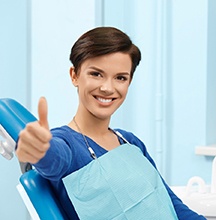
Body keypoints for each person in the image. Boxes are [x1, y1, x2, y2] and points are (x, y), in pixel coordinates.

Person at [16, 27, 206, 220]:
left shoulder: (130, 142)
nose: (107, 88)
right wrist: (40, 149)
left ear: (129, 82)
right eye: (96, 74)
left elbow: (171, 204)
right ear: (74, 75)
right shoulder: (66, 144)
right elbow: (54, 159)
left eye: (120, 78)